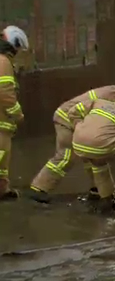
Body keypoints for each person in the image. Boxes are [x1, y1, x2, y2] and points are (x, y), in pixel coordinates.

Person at [28, 77, 115, 203]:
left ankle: (97, 189)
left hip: (74, 118)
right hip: (67, 120)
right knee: (67, 156)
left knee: (90, 155)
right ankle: (39, 188)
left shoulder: (113, 91)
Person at [0, 26, 29, 201]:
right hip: (1, 122)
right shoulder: (3, 62)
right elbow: (5, 93)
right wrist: (18, 115)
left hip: (3, 125)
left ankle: (3, 190)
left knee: (2, 163)